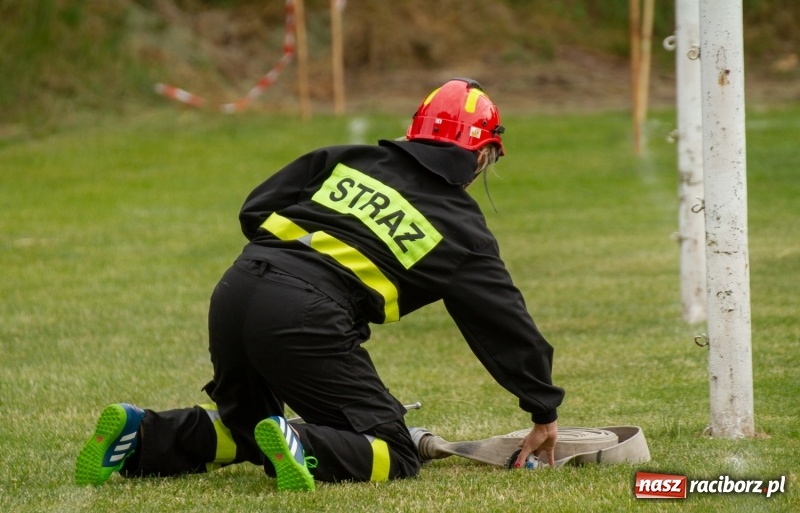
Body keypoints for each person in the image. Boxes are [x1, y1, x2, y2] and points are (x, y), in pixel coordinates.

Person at [75, 78, 565, 491]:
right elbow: (504, 325)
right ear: (480, 156)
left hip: (237, 288)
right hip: (304, 315)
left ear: (415, 132)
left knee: (247, 424)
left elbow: (256, 207)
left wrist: (288, 262)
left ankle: (140, 436)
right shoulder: (464, 230)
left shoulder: (350, 158)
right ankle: (302, 444)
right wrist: (543, 408)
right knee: (395, 451)